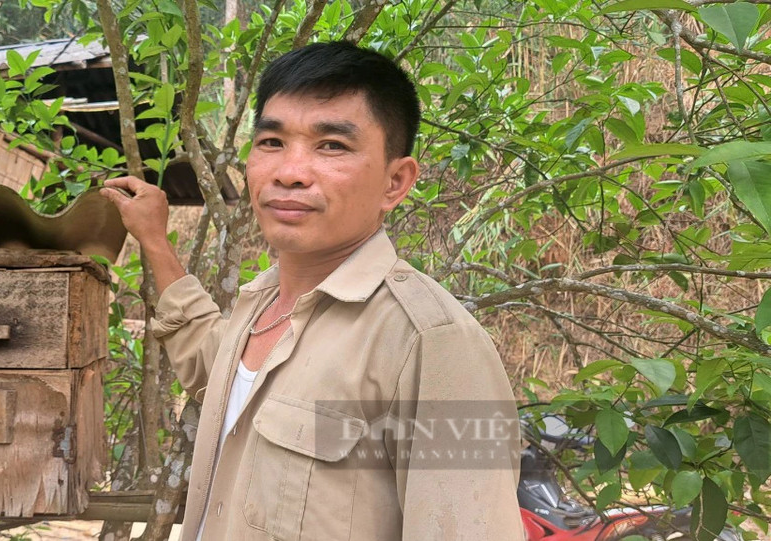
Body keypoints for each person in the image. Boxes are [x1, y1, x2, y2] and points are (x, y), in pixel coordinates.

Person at [101, 41, 525, 540]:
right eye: (272, 141)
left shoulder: (431, 342)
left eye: (332, 146)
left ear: (395, 182)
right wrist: (154, 238)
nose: (289, 172)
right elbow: (208, 365)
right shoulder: (261, 303)